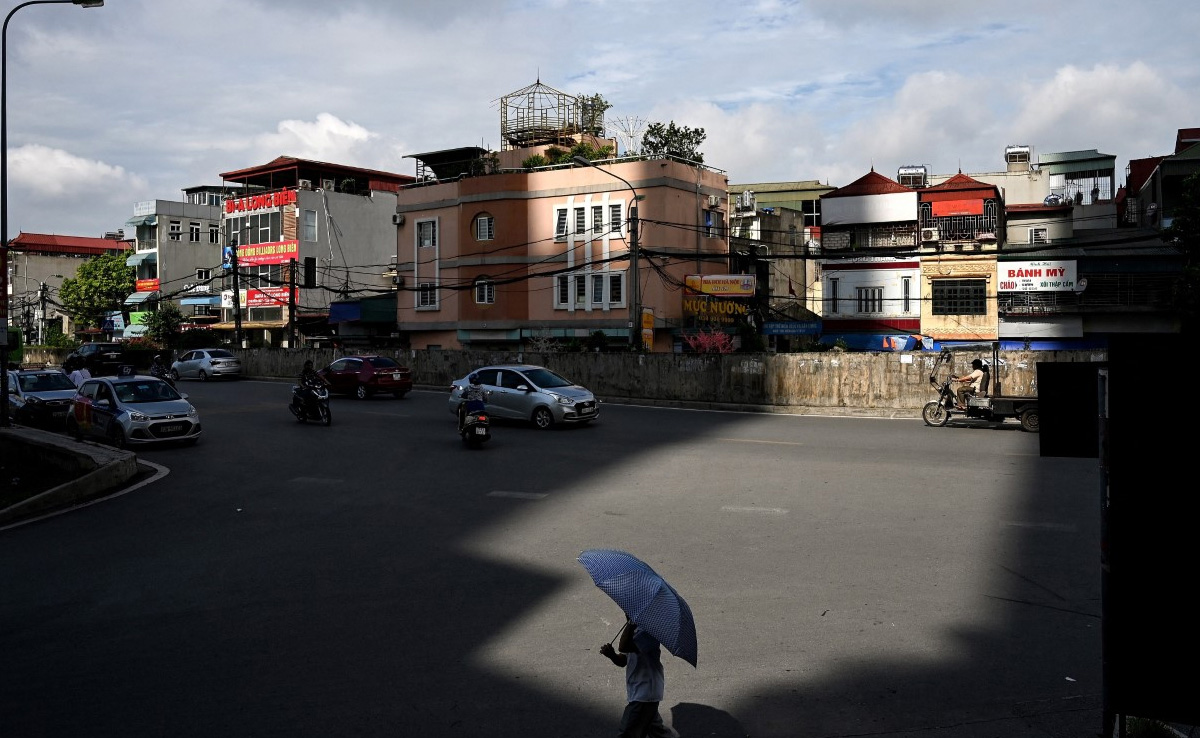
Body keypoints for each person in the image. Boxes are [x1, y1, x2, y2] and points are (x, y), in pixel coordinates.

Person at [599, 620, 671, 738]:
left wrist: (630, 624)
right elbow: (623, 660)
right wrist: (612, 655)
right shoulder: (636, 630)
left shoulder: (648, 633)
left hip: (644, 694)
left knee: (627, 733)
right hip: (643, 694)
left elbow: (624, 646)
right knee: (657, 732)